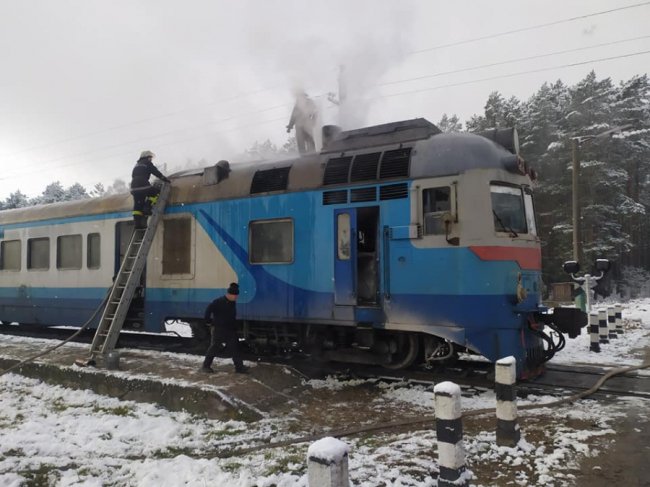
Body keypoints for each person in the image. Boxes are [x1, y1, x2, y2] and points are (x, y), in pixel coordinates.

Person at [201, 283, 248, 374]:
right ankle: (206, 366)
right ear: (229, 294)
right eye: (234, 296)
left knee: (235, 348)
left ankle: (239, 368)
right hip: (219, 329)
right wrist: (208, 321)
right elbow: (208, 310)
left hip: (230, 329)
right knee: (214, 347)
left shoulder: (232, 302)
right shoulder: (218, 302)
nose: (236, 298)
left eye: (236, 296)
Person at [130, 150, 171, 229]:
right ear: (147, 157)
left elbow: (133, 175)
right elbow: (156, 172)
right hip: (143, 184)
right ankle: (147, 207)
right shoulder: (147, 163)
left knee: (137, 205)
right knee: (156, 192)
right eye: (150, 157)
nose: (151, 159)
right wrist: (165, 179)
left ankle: (138, 224)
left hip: (134, 187)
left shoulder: (136, 165)